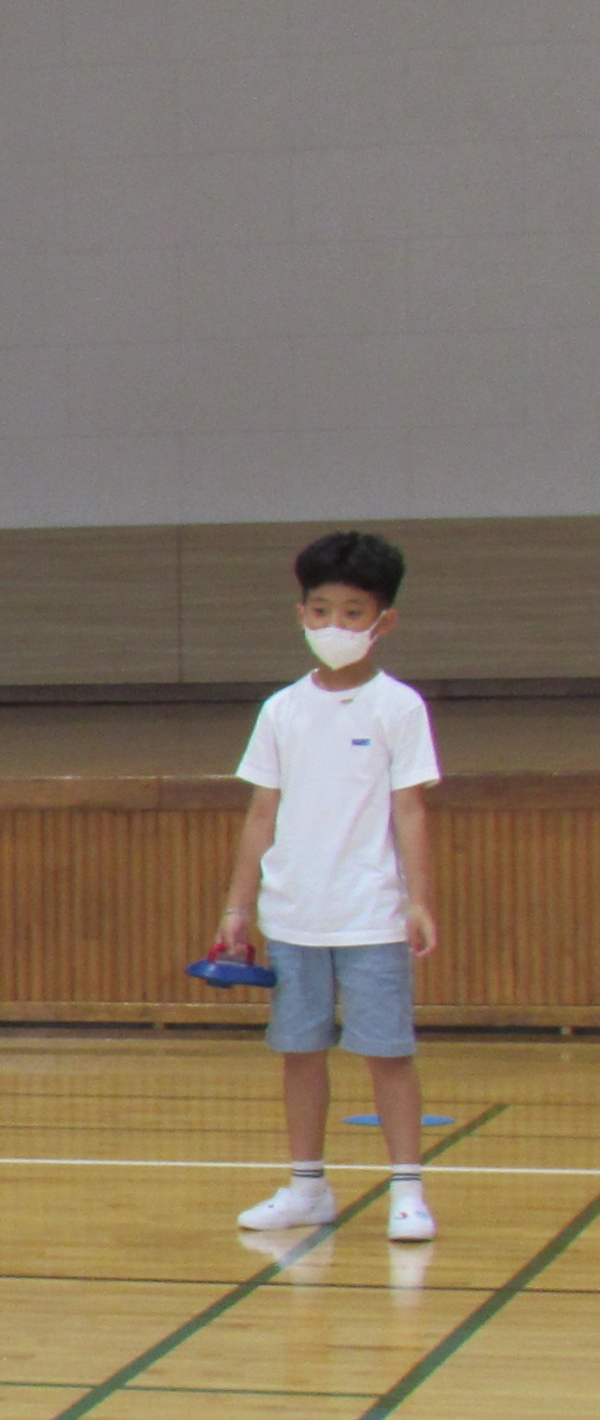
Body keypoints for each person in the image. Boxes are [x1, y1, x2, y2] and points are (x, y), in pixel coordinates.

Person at [218, 531, 441, 1243]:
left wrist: (419, 898)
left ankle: (408, 1189)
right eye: (321, 611)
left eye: (353, 612)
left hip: (371, 914)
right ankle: (306, 1185)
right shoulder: (281, 710)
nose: (335, 627)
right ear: (300, 614)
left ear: (384, 621)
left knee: (387, 1052)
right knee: (299, 1050)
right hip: (294, 915)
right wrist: (237, 907)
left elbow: (410, 807)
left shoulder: (397, 707)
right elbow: (261, 812)